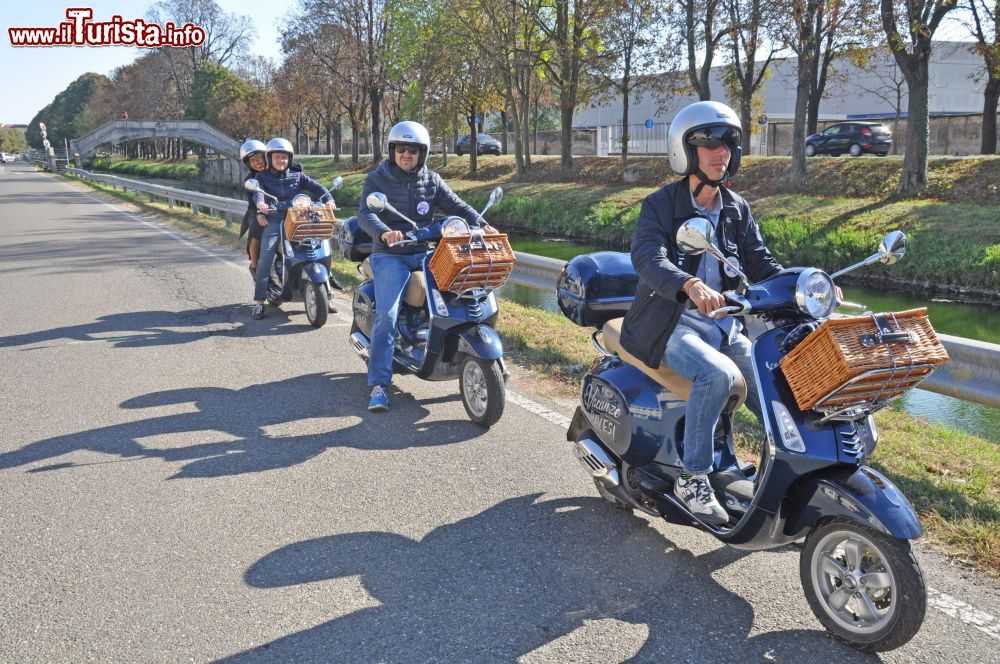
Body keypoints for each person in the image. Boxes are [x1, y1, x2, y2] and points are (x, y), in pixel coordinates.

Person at [619, 101, 783, 525]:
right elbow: (648, 259)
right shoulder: (659, 205)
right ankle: (692, 478)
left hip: (725, 327)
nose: (720, 153)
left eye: (727, 143)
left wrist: (804, 284)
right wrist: (688, 284)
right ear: (686, 151)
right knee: (716, 375)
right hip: (670, 325)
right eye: (708, 144)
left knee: (773, 387)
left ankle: (780, 474)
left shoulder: (735, 207)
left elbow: (761, 263)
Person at [357, 120, 497, 412]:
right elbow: (365, 215)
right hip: (390, 253)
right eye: (401, 149)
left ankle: (460, 352)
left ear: (423, 152)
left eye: (413, 150)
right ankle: (379, 384)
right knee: (388, 313)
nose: (406, 154)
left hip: (426, 251)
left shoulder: (431, 180)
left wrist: (482, 224)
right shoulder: (377, 179)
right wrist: (384, 232)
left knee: (465, 290)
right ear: (392, 150)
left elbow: (457, 206)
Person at [249, 137, 335, 320]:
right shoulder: (261, 177)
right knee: (265, 257)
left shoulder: (298, 176)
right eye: (277, 157)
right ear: (270, 158)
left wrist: (329, 199)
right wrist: (262, 205)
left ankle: (327, 294)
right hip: (276, 220)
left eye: (285, 157)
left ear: (290, 159)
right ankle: (258, 303)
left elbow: (318, 187)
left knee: (322, 247)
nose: (281, 161)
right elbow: (258, 194)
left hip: (299, 219)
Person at [237, 139, 268, 279]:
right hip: (257, 209)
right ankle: (254, 265)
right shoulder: (250, 179)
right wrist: (261, 209)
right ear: (248, 164)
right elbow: (257, 198)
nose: (257, 162)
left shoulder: (277, 169)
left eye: (259, 157)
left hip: (283, 207)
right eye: (252, 160)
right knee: (256, 228)